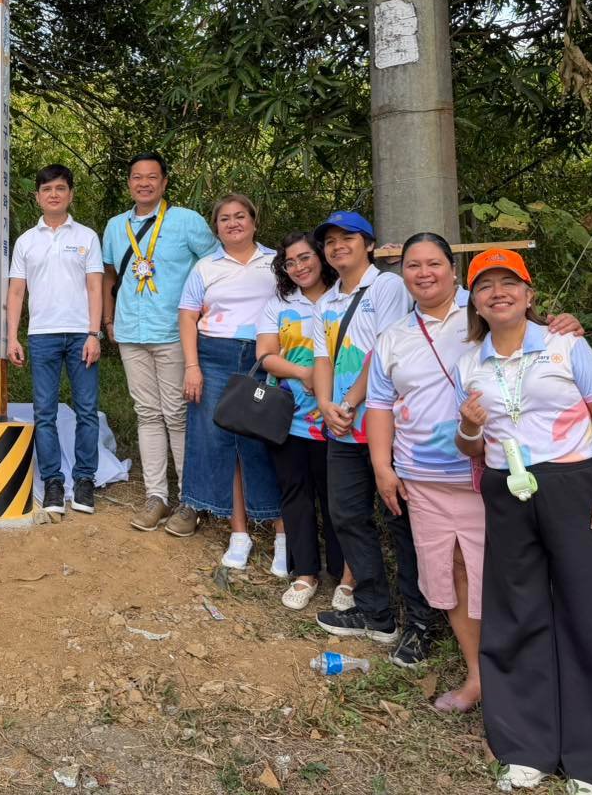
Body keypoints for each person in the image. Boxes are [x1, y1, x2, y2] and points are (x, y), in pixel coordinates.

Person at [455, 248, 592, 795]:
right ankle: (524, 748)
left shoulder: (565, 345)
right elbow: (469, 448)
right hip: (508, 489)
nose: (498, 293)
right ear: (475, 301)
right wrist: (469, 426)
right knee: (514, 613)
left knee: (588, 615)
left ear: (530, 295)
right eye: (485, 286)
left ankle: (591, 763)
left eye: (510, 283)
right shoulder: (470, 362)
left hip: (576, 485)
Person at [308, 210, 436, 663]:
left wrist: (348, 403)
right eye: (330, 241)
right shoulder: (325, 302)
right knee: (346, 517)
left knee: (403, 524)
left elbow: (384, 352)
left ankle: (420, 620)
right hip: (342, 427)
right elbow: (322, 359)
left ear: (369, 244)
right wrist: (327, 405)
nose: (338, 246)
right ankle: (374, 611)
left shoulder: (386, 287)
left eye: (348, 238)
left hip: (386, 427)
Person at [365, 233, 483, 705]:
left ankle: (515, 678)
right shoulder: (395, 335)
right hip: (423, 480)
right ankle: (478, 676)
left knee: (497, 573)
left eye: (434, 263)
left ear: (454, 270)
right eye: (413, 265)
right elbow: (379, 404)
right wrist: (382, 467)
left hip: (487, 474)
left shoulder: (484, 312)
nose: (424, 273)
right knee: (451, 575)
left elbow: (536, 341)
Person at [101, 153, 217, 534]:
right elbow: (107, 276)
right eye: (137, 177)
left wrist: (204, 315)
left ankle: (190, 499)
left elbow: (213, 268)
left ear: (165, 182)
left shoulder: (187, 221)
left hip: (173, 331)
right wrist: (107, 319)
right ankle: (157, 497)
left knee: (178, 414)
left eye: (152, 177)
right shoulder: (116, 226)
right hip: (131, 333)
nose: (144, 183)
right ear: (129, 183)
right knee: (147, 414)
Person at [176, 194, 285, 568]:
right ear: (216, 227)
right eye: (224, 219)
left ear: (254, 222)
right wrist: (193, 366)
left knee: (268, 443)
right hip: (214, 355)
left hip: (267, 358)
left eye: (240, 216)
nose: (233, 223)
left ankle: (283, 535)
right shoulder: (206, 267)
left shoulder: (276, 262)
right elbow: (188, 316)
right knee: (222, 442)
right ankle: (239, 533)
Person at [256, 231, 355, 611]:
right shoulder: (279, 303)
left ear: (322, 257)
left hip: (341, 416)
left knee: (338, 498)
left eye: (305, 258)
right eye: (290, 262)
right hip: (291, 417)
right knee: (295, 493)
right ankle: (305, 572)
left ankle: (346, 574)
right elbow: (265, 355)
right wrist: (304, 373)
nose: (298, 267)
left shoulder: (344, 297)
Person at [7, 164, 104, 516]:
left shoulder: (87, 237)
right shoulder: (26, 241)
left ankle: (84, 481)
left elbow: (96, 286)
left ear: (70, 194)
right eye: (46, 189)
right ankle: (52, 482)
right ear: (37, 196)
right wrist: (11, 336)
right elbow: (16, 291)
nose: (53, 194)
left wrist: (94, 333)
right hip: (42, 335)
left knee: (87, 412)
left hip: (81, 333)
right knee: (44, 413)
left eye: (60, 188)